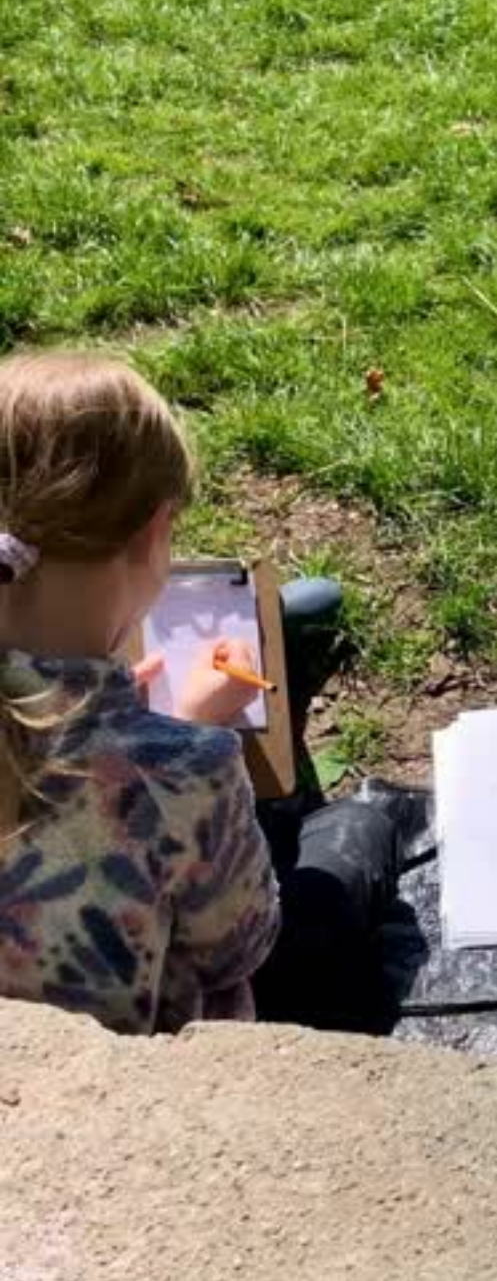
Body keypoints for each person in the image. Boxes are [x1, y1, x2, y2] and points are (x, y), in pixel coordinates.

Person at [0, 351, 396, 1036]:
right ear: (156, 534)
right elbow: (243, 947)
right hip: (146, 1064)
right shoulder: (186, 769)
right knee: (358, 838)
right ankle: (294, 764)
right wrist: (187, 734)